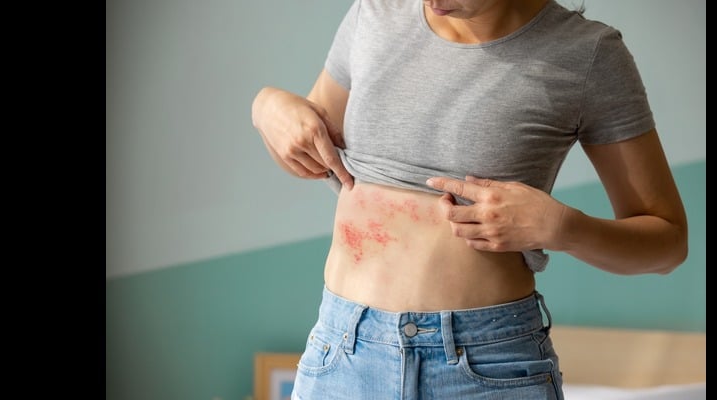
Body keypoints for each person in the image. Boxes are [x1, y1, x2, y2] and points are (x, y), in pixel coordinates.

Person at [250, 0, 688, 398]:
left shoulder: (588, 54)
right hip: (344, 354)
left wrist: (562, 228)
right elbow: (304, 150)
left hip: (488, 365)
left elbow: (667, 244)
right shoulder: (374, 14)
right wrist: (266, 108)